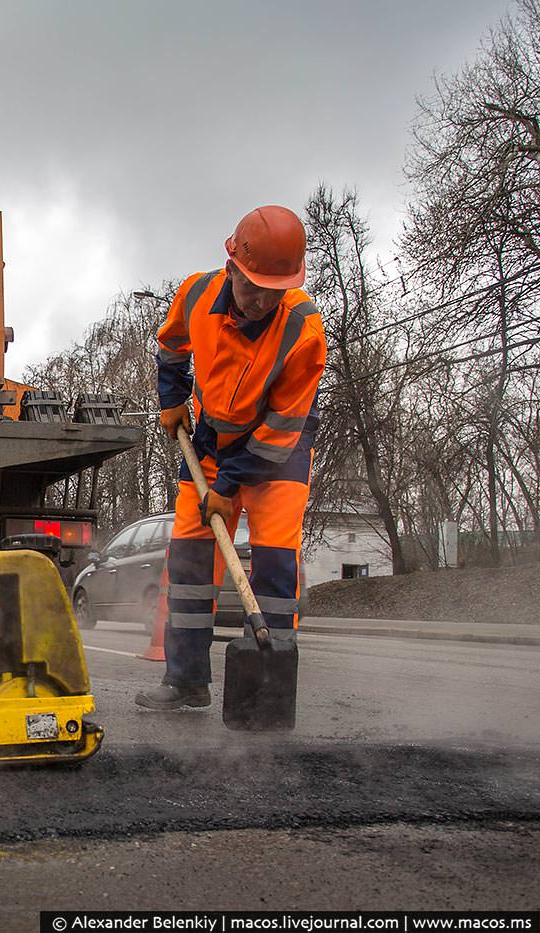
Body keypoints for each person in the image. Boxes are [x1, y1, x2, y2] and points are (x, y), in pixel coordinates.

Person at [135, 205, 326, 711]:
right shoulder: (197, 293)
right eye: (252, 286)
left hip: (277, 450)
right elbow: (172, 345)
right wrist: (172, 398)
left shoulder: (303, 331)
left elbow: (283, 426)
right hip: (211, 442)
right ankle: (186, 680)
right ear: (233, 267)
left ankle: (267, 690)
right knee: (191, 558)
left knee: (274, 561)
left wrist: (227, 488)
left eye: (274, 290)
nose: (261, 300)